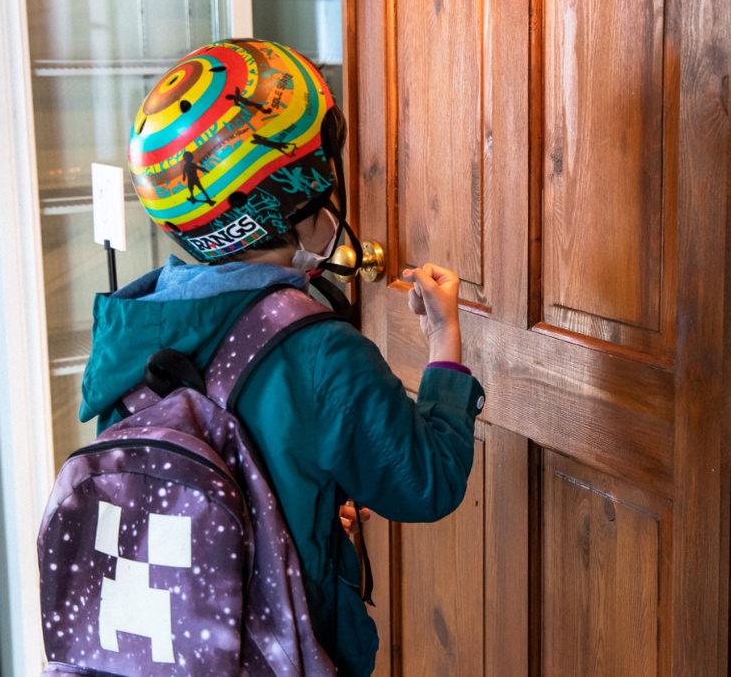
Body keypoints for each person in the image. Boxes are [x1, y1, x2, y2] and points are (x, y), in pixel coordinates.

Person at [79, 38, 477, 677]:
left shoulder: (133, 331)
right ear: (297, 198)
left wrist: (306, 498)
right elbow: (426, 482)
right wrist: (444, 337)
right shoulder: (317, 351)